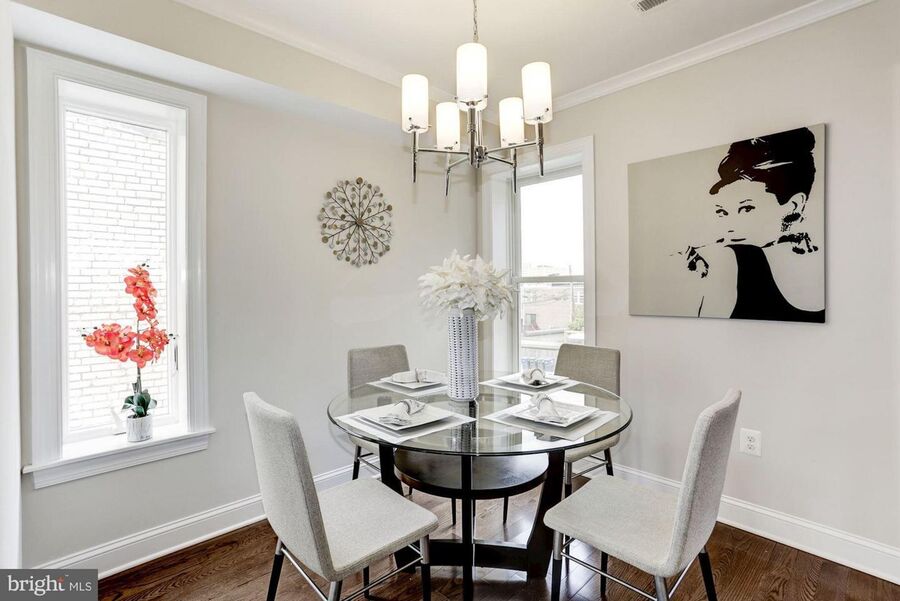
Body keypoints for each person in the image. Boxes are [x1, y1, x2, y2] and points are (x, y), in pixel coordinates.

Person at [679, 127, 824, 323]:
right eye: (722, 212)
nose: (730, 226)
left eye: (747, 209)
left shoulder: (732, 259)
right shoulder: (724, 259)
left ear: (794, 206)